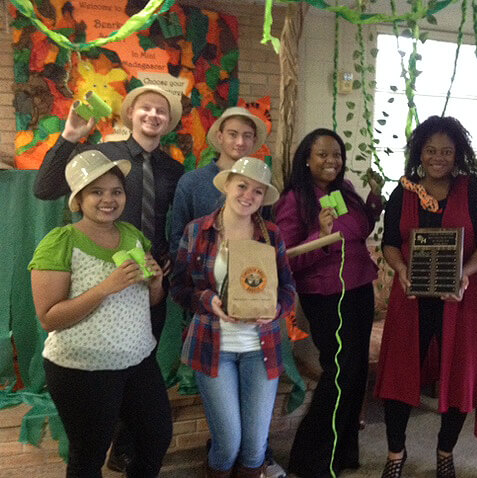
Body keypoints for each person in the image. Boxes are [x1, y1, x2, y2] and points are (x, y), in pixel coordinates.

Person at [33, 84, 183, 470]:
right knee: (92, 434)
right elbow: (45, 187)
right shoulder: (104, 156)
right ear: (130, 113)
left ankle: (125, 455)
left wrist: (158, 275)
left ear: (168, 122)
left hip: (141, 290)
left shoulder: (174, 169)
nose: (109, 198)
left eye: (161, 110)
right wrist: (70, 137)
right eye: (145, 107)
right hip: (85, 340)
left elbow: (178, 222)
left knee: (149, 423)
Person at [374, 116, 477, 478]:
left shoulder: (475, 190)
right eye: (430, 150)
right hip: (411, 299)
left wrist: (464, 274)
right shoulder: (404, 190)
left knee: (459, 376)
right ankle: (395, 454)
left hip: (462, 299)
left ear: (458, 153)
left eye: (446, 150)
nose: (438, 157)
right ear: (419, 153)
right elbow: (391, 243)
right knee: (399, 376)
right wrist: (400, 270)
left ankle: (446, 452)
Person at [170, 158, 296, 478]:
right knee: (227, 444)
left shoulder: (270, 235)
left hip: (261, 347)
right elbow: (179, 288)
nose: (247, 195)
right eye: (242, 186)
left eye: (257, 191)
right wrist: (206, 299)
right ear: (227, 185)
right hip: (214, 347)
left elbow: (288, 289)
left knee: (255, 448)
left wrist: (276, 309)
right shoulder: (197, 230)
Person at [274, 128, 383, 478]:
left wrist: (373, 203)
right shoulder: (293, 200)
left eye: (336, 154)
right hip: (324, 296)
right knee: (339, 372)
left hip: (359, 289)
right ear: (307, 158)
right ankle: (311, 460)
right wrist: (319, 236)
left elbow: (359, 232)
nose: (331, 161)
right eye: (322, 154)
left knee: (355, 372)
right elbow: (285, 258)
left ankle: (342, 452)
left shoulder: (346, 192)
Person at [169, 106, 267, 257]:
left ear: (254, 140)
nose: (240, 142)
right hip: (200, 271)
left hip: (247, 270)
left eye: (247, 136)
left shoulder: (260, 185)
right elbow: (177, 237)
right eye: (233, 134)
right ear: (220, 136)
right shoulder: (191, 182)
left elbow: (265, 231)